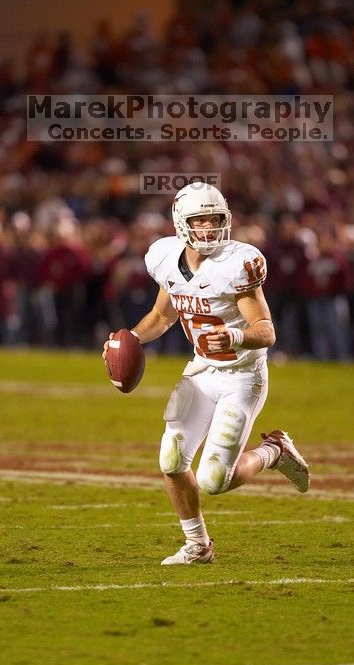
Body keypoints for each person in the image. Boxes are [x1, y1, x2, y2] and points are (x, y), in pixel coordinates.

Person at [103, 183, 310, 565]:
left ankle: (274, 450)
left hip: (242, 376)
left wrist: (234, 334)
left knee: (215, 480)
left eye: (216, 219)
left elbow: (266, 331)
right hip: (200, 371)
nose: (210, 228)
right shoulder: (165, 258)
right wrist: (127, 339)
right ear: (182, 223)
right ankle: (198, 546)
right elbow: (162, 316)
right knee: (171, 460)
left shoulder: (238, 263)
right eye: (200, 220)